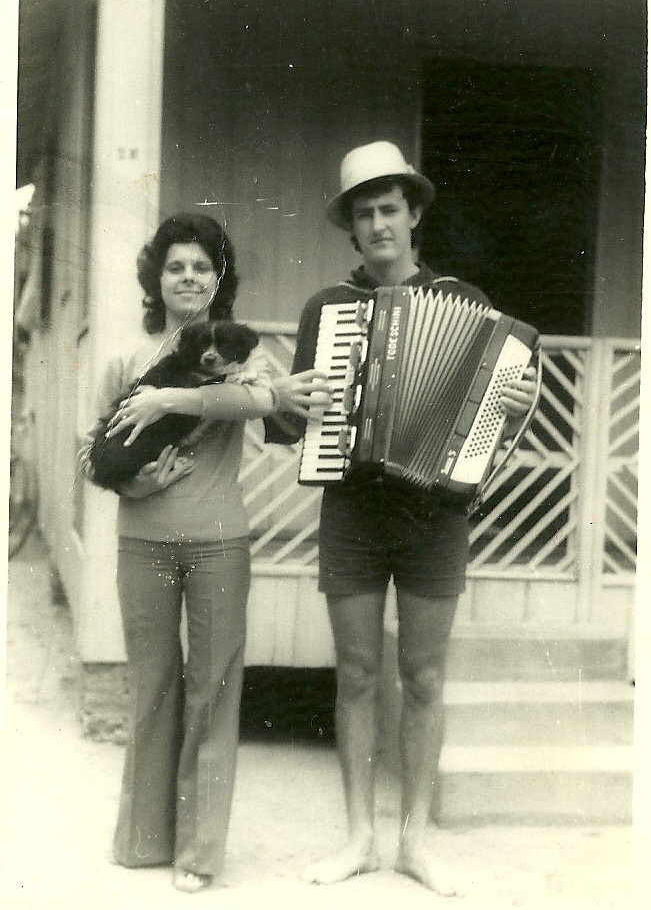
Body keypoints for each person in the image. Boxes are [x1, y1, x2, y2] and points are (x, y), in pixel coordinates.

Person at [264, 142, 537, 895]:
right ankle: (359, 837)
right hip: (352, 509)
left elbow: (493, 429)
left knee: (423, 674)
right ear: (351, 227)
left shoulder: (465, 299)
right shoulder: (326, 308)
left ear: (413, 215)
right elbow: (289, 425)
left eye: (389, 209)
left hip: (434, 516)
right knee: (355, 673)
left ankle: (414, 840)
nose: (379, 224)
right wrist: (288, 402)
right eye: (365, 213)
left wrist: (516, 401)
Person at [80, 213, 276, 893]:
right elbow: (89, 449)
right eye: (175, 266)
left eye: (201, 267)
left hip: (220, 539)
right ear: (156, 278)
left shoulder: (239, 354)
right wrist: (134, 482)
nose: (188, 277)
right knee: (153, 686)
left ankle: (198, 851)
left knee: (213, 689)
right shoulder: (125, 357)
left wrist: (170, 397)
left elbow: (261, 399)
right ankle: (143, 839)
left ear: (218, 280)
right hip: (142, 540)